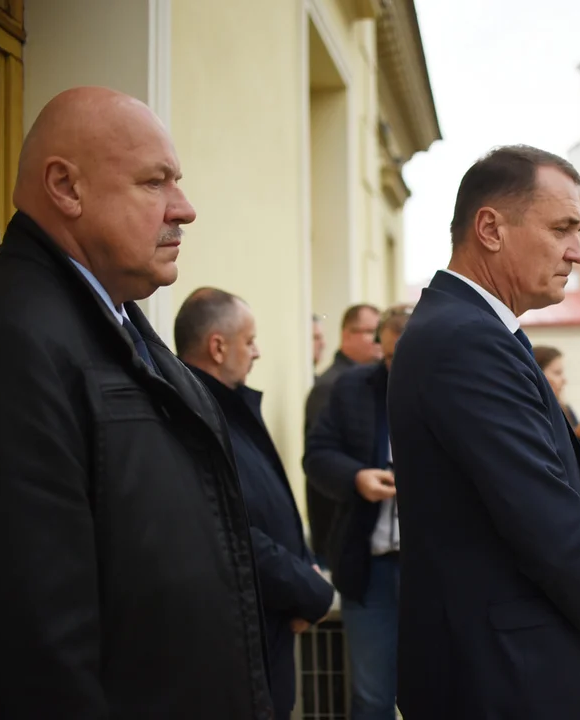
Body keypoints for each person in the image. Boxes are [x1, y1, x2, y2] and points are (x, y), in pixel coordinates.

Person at [0, 87, 273, 718]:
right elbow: (20, 652)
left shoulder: (117, 327)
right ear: (66, 187)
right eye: (155, 183)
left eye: (179, 182)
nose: (186, 209)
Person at [386, 145, 580, 720]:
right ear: (490, 228)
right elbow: (538, 510)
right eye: (562, 228)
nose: (578, 253)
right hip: (501, 675)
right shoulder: (466, 339)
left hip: (502, 664)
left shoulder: (473, 329)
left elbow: (552, 487)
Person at [175, 287, 335, 720]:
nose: (258, 352)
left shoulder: (228, 407)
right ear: (217, 345)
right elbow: (229, 528)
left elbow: (268, 502)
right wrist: (310, 591)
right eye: (250, 341)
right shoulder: (194, 418)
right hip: (240, 637)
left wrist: (303, 569)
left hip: (270, 623)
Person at [303, 305, 412, 720]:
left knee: (442, 691)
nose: (393, 367)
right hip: (370, 570)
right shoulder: (350, 388)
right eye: (386, 358)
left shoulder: (450, 386)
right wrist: (357, 478)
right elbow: (316, 456)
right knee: (371, 696)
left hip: (436, 570)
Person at [304, 303, 381, 564]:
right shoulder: (333, 385)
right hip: (340, 533)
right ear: (347, 334)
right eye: (371, 331)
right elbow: (321, 460)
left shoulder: (371, 383)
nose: (378, 341)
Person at [532, 345, 580, 453]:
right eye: (557, 373)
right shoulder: (531, 414)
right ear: (537, 375)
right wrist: (578, 439)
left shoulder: (566, 410)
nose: (564, 380)